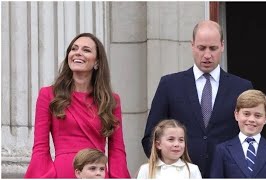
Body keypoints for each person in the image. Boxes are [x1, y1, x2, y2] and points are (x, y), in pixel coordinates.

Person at [141, 20, 253, 177]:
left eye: (213, 48)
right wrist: (169, 170)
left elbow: (252, 137)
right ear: (192, 45)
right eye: (201, 48)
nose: (207, 55)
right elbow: (151, 137)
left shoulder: (241, 87)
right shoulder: (170, 85)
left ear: (222, 46)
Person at [24, 33, 130, 178]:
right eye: (74, 49)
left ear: (97, 62)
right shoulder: (48, 94)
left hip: (96, 173)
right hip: (62, 173)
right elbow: (40, 147)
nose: (78, 53)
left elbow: (117, 149)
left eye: (86, 50)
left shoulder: (111, 100)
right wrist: (44, 176)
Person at [210, 89, 266, 178]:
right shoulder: (222, 150)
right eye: (246, 114)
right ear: (236, 115)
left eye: (258, 115)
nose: (251, 119)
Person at [136, 119, 202, 179]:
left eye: (181, 140)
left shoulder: (192, 170)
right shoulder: (146, 170)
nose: (176, 144)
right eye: (171, 139)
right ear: (158, 144)